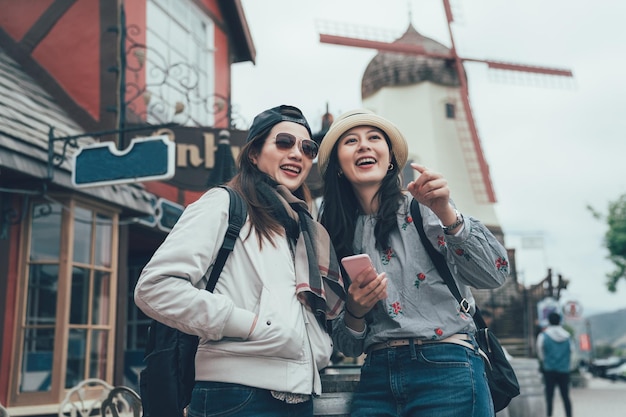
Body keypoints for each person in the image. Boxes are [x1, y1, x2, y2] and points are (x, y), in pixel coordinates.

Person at [134, 105, 346, 417]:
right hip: (236, 395)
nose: (298, 154)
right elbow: (155, 287)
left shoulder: (301, 228)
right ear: (253, 154)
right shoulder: (224, 204)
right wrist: (250, 325)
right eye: (284, 142)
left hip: (299, 395)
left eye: (307, 148)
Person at [317, 109, 510, 417]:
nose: (364, 146)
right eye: (350, 141)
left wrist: (447, 212)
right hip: (376, 375)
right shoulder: (331, 233)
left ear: (390, 159)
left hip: (447, 367)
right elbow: (347, 345)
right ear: (338, 166)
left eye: (374, 138)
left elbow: (495, 272)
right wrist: (355, 310)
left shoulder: (425, 207)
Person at [536, 312, 573, 417]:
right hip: (564, 370)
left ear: (549, 321)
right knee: (565, 396)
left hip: (549, 369)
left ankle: (549, 415)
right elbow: (572, 351)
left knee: (549, 397)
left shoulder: (543, 335)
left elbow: (540, 350)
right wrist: (568, 364)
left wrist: (545, 361)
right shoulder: (567, 336)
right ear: (560, 321)